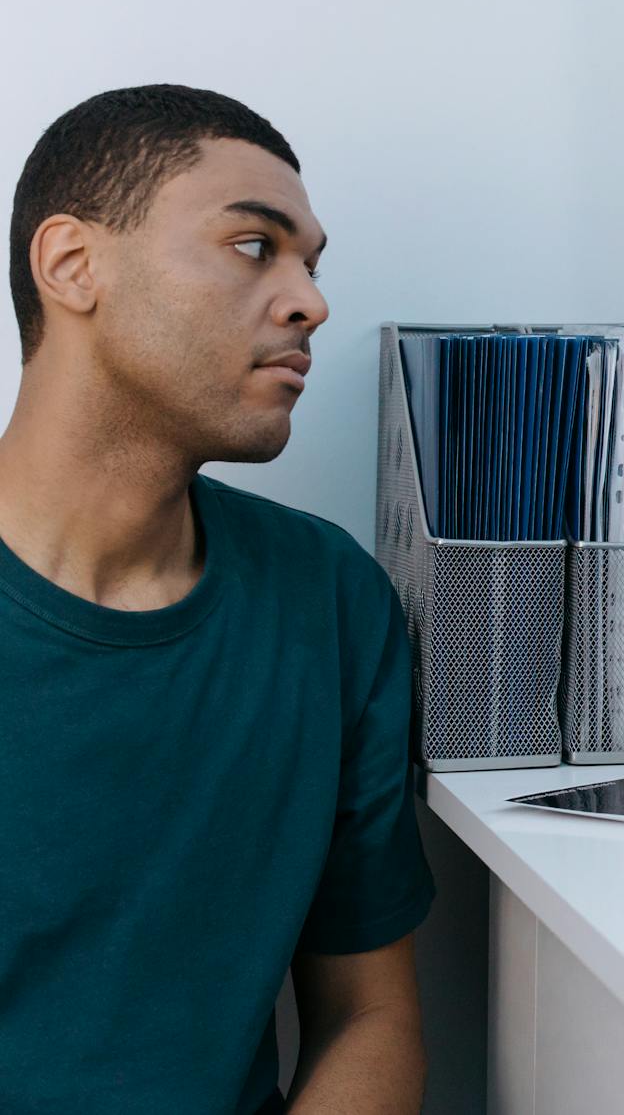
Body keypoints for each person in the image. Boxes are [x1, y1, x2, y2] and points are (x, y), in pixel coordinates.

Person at [0, 86, 433, 1114]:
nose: (310, 302)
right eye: (253, 246)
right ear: (73, 265)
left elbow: (369, 1014)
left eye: (311, 265)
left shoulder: (330, 598)